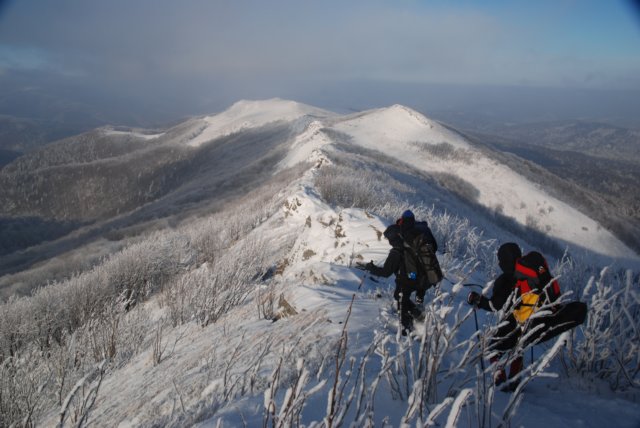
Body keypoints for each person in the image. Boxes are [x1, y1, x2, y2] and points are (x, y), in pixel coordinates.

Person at [467, 242, 587, 389]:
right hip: (537, 316)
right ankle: (515, 380)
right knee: (518, 346)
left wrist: (477, 300)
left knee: (495, 347)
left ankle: (500, 380)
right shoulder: (527, 271)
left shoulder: (506, 279)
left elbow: (494, 305)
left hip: (520, 318)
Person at [358, 210, 439, 335]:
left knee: (401, 299)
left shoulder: (397, 251)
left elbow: (385, 272)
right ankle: (418, 315)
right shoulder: (417, 239)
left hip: (409, 281)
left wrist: (371, 267)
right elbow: (434, 248)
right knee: (399, 295)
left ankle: (406, 331)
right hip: (425, 278)